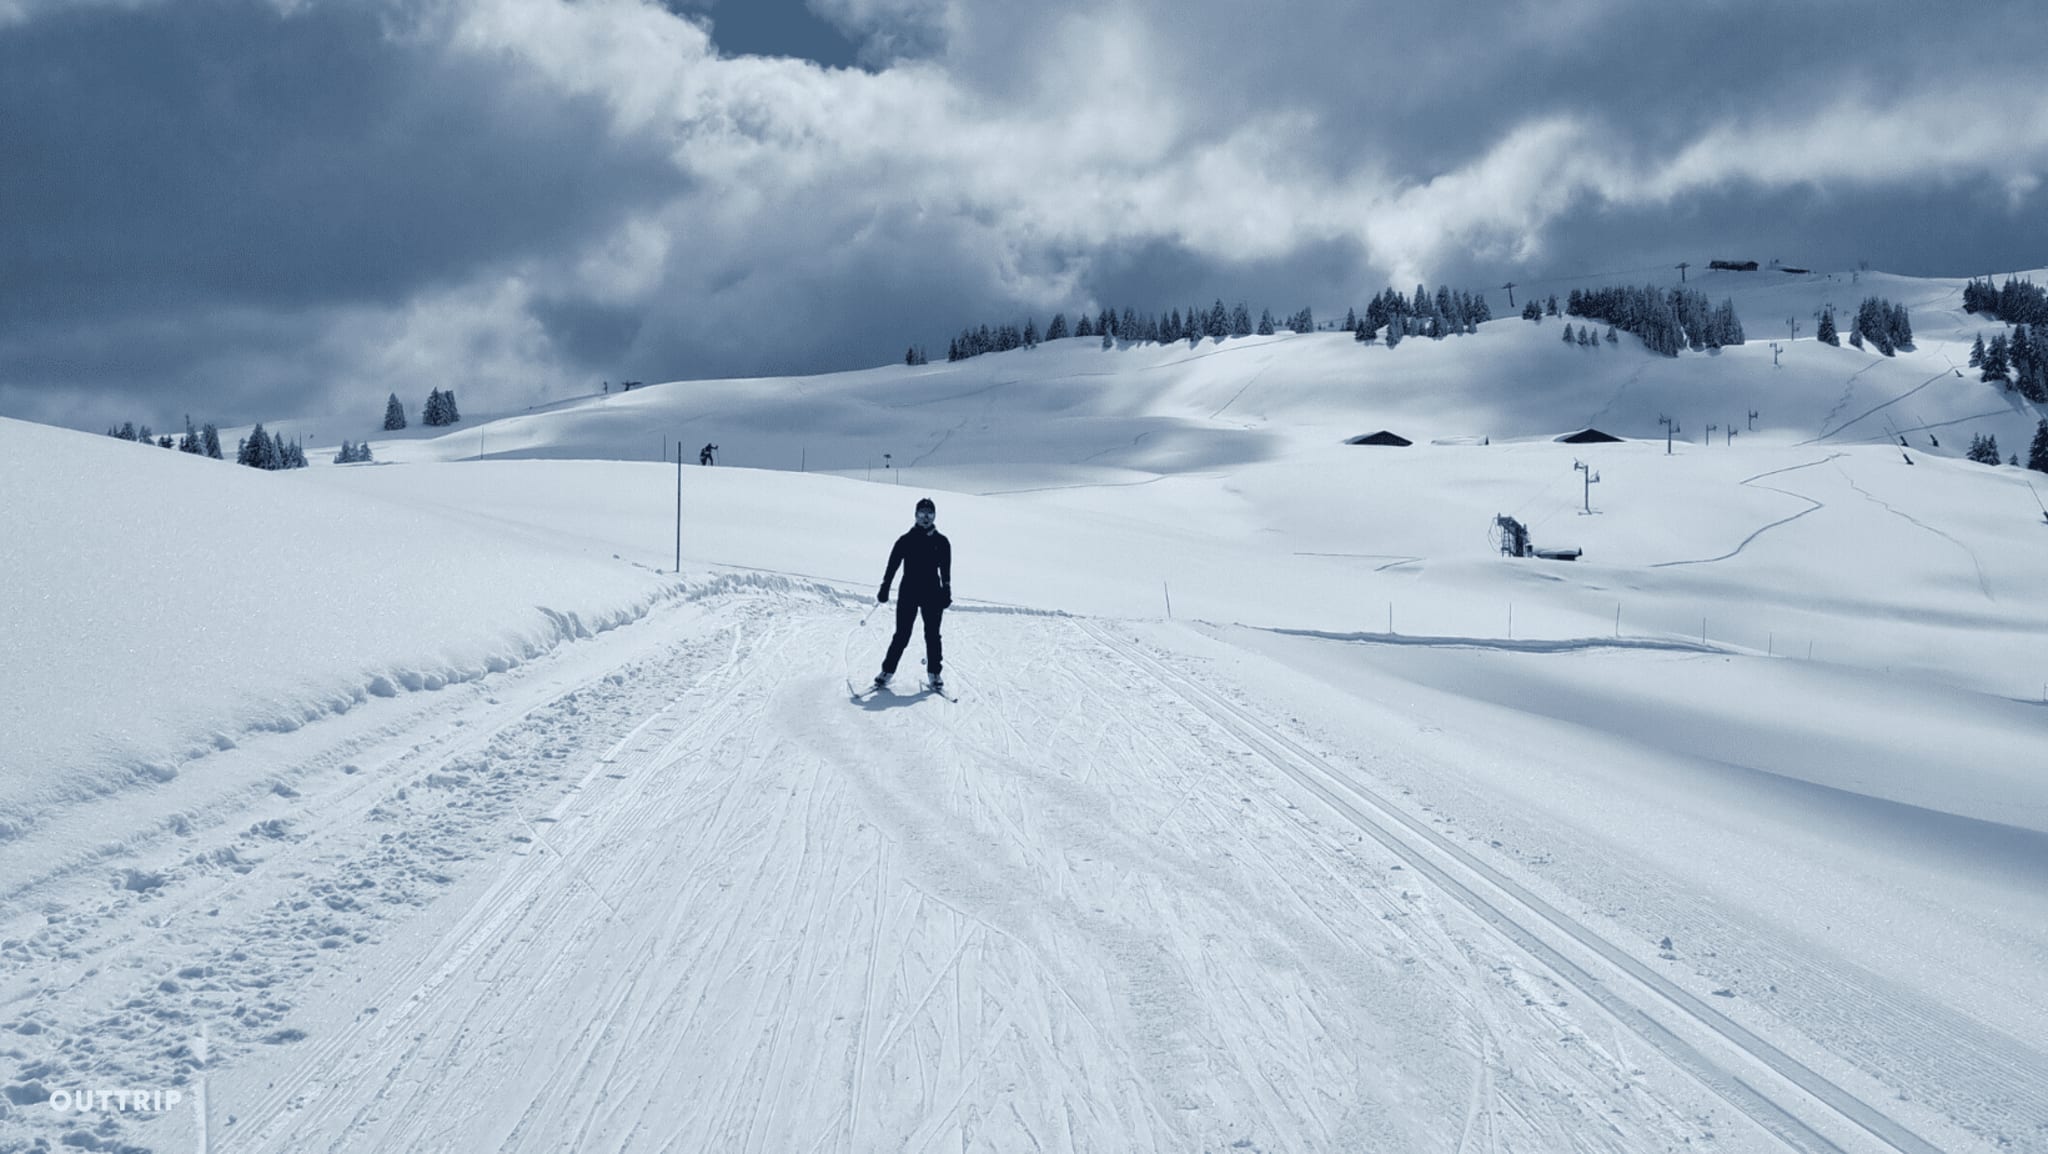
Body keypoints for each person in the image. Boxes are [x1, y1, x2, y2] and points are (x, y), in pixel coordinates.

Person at [873, 497, 951, 693]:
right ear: (916, 515)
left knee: (932, 635)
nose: (926, 518)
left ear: (934, 516)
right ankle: (887, 671)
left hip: (932, 592)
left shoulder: (942, 542)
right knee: (902, 634)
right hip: (909, 591)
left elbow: (945, 569)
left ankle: (934, 673)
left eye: (929, 514)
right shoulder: (905, 540)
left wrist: (946, 589)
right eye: (922, 514)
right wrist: (885, 587)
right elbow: (892, 566)